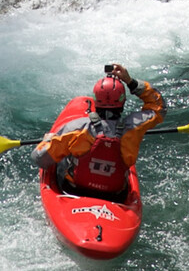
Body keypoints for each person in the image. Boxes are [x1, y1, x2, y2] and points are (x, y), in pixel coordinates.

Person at [30, 63, 165, 199]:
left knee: (63, 156)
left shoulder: (77, 128)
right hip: (115, 196)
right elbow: (158, 107)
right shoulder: (135, 127)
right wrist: (130, 81)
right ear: (122, 101)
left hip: (74, 191)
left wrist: (48, 139)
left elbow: (40, 159)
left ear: (95, 100)